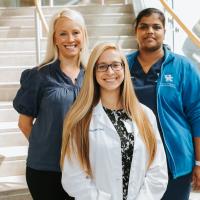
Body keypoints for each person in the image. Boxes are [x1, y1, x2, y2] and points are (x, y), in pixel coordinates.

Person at [60, 42, 168, 200]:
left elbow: (158, 171)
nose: (110, 71)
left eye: (116, 65)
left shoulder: (145, 115)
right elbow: (73, 178)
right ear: (93, 72)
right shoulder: (81, 119)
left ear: (124, 68)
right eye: (102, 66)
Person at [13, 8, 88, 200]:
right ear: (54, 39)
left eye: (75, 32)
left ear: (84, 35)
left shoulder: (93, 76)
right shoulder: (38, 76)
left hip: (86, 169)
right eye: (63, 33)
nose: (70, 39)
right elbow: (24, 124)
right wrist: (48, 149)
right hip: (46, 171)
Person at [126, 7, 200, 200]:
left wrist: (199, 162)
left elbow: (197, 115)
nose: (150, 31)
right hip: (134, 161)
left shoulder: (183, 67)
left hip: (175, 160)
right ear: (136, 31)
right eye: (144, 26)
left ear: (164, 32)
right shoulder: (122, 66)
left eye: (156, 27)